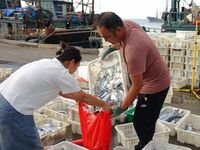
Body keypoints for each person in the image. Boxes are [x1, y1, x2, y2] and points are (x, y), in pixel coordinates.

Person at [0, 46, 111, 150]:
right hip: (13, 110)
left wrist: (75, 97)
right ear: (72, 62)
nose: (75, 71)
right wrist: (104, 105)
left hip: (3, 98)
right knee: (32, 146)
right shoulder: (61, 73)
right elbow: (83, 96)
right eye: (76, 67)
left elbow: (61, 91)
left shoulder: (47, 63)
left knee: (8, 143)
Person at [95, 12, 170, 150]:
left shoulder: (134, 50)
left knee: (142, 123)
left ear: (119, 30)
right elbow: (120, 41)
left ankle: (146, 146)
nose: (106, 41)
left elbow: (137, 86)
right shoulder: (128, 24)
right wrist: (112, 48)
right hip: (153, 75)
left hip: (155, 86)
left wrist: (121, 108)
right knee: (143, 120)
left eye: (107, 37)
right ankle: (145, 143)